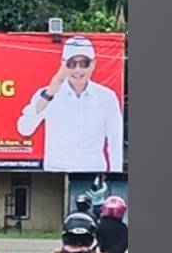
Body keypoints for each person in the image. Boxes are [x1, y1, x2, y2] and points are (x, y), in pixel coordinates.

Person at [16, 36, 124, 172]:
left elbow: (115, 142)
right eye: (71, 64)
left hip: (92, 173)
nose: (78, 70)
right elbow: (24, 129)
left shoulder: (106, 97)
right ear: (63, 64)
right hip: (56, 174)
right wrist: (50, 93)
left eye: (84, 63)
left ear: (93, 64)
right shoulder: (46, 94)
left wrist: (116, 176)